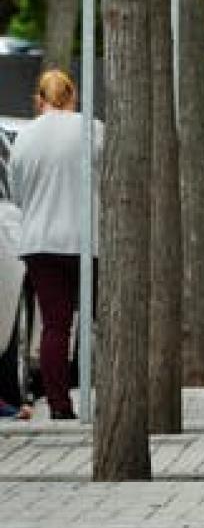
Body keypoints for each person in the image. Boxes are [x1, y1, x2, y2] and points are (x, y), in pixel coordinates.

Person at [9, 70, 102, 421]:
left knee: (55, 325)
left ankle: (59, 405)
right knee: (101, 320)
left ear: (39, 100)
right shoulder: (92, 129)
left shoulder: (25, 138)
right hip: (85, 240)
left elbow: (17, 193)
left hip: (40, 243)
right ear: (73, 96)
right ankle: (109, 396)